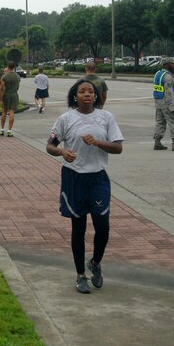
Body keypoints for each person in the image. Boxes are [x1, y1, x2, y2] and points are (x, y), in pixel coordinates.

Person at [46, 79, 124, 294]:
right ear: (75, 96)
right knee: (78, 229)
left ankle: (96, 263)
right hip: (74, 178)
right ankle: (80, 275)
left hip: (98, 178)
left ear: (96, 96)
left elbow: (118, 148)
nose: (87, 94)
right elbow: (50, 145)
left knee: (103, 227)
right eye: (82, 91)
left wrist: (98, 142)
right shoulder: (66, 119)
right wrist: (63, 152)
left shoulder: (106, 118)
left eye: (91, 91)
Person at [153, 57, 174, 151]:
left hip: (158, 102)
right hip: (167, 102)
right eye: (172, 64)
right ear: (167, 65)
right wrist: (172, 107)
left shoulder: (158, 74)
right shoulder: (167, 77)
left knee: (160, 122)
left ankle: (157, 142)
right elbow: (169, 93)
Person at [0, 61, 21, 137]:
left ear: (8, 67)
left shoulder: (4, 76)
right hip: (14, 94)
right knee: (12, 112)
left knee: (4, 111)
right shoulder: (17, 76)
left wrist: (1, 99)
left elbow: (2, 88)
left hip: (6, 94)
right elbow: (18, 86)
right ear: (14, 67)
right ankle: (10, 131)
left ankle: (2, 130)